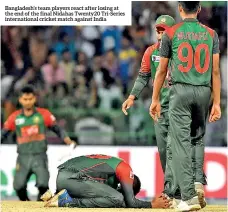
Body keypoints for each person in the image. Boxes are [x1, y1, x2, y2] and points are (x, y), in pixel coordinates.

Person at [149, 2, 221, 211]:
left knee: (180, 143)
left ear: (180, 9)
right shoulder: (211, 34)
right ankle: (198, 182)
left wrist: (154, 99)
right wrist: (216, 102)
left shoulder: (171, 33)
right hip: (204, 90)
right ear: (198, 9)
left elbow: (162, 70)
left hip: (180, 91)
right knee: (197, 137)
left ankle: (188, 196)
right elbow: (215, 70)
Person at [1, 85, 77, 201]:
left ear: (35, 99)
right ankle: (25, 204)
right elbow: (4, 133)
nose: (27, 102)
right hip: (23, 157)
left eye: (30, 99)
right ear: (20, 100)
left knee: (43, 185)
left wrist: (67, 140)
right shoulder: (15, 117)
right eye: (25, 99)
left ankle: (38, 206)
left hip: (39, 156)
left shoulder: (43, 114)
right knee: (18, 186)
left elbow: (57, 129)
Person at [41, 154, 170, 209]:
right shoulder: (126, 169)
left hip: (66, 177)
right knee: (117, 198)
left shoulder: (110, 174)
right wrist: (152, 205)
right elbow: (129, 202)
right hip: (72, 178)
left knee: (113, 198)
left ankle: (56, 196)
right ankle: (66, 201)